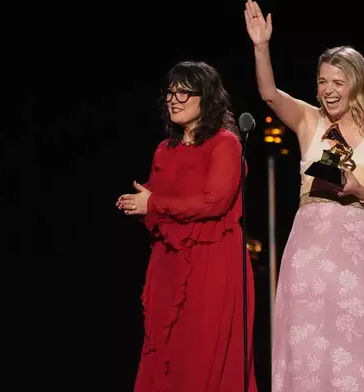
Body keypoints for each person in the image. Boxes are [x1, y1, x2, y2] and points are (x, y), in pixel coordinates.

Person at [244, 1, 364, 391]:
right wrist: (261, 45)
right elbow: (268, 94)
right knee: (307, 344)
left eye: (337, 82)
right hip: (308, 246)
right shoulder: (309, 120)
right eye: (322, 82)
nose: (328, 91)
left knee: (349, 343)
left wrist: (360, 190)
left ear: (357, 83)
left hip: (352, 247)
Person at [116, 60, 258, 392]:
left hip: (213, 262)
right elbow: (160, 209)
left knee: (203, 355)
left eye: (185, 91)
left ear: (206, 98)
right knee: (166, 352)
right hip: (168, 263)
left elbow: (214, 202)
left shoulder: (226, 144)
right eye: (170, 91)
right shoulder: (164, 150)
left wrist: (153, 204)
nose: (174, 98)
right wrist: (141, 205)